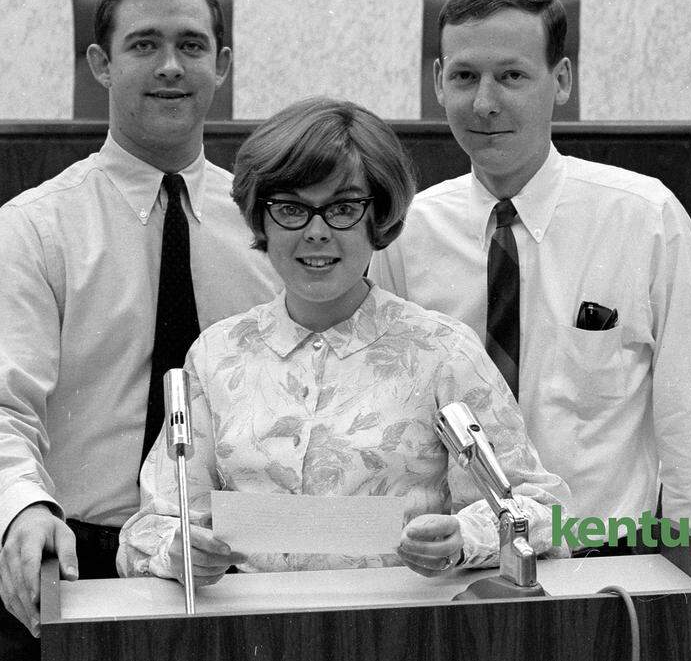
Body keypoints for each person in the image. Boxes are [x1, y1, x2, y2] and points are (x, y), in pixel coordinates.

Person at [0, 0, 279, 650]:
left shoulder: (269, 226)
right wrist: (21, 510)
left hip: (238, 564)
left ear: (223, 64)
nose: (170, 67)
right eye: (144, 45)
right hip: (76, 562)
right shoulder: (36, 228)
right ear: (101, 62)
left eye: (191, 45)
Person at [117, 97, 571, 583]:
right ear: (261, 220)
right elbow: (152, 524)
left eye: (343, 208)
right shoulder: (216, 354)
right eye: (291, 208)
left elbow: (546, 516)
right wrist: (179, 549)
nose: (316, 232)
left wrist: (465, 536)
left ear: (379, 220)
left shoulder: (443, 352)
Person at [368, 0, 691, 540]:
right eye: (466, 77)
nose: (486, 103)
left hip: (603, 560)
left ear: (561, 80)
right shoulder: (408, 232)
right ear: (439, 82)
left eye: (512, 76)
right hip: (450, 561)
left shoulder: (643, 219)